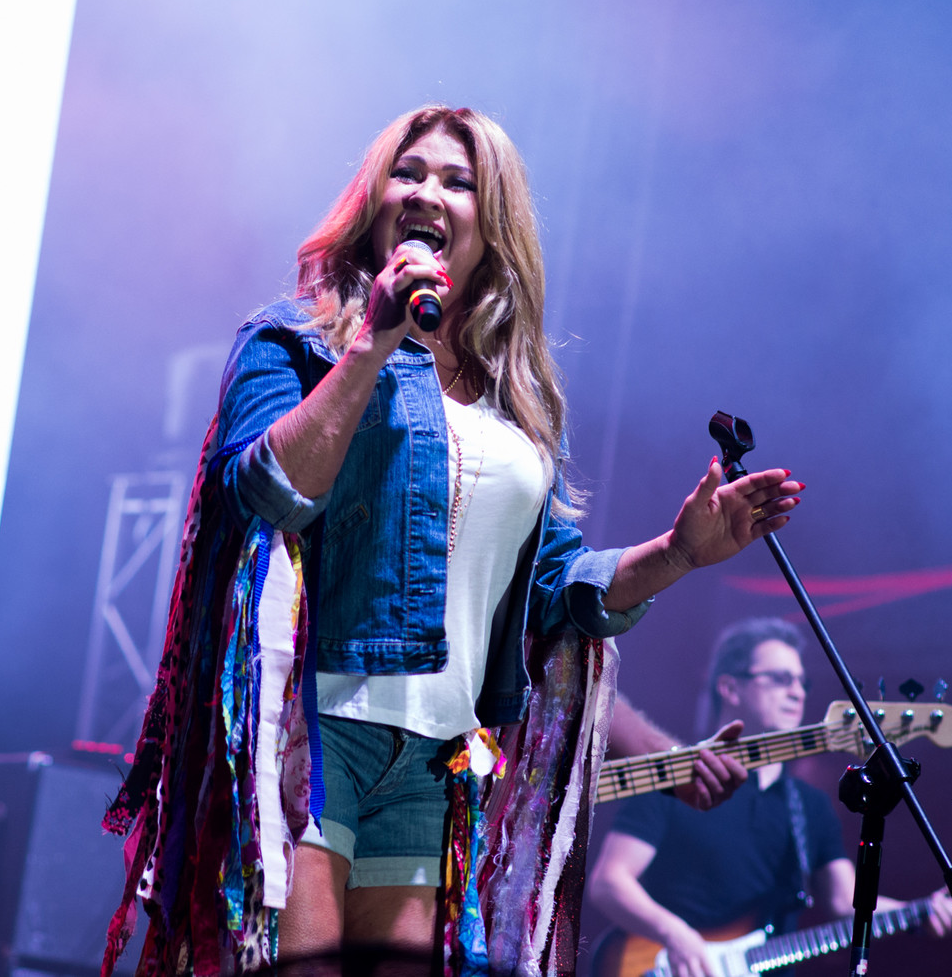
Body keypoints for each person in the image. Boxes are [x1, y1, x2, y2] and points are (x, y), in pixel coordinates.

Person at [101, 106, 802, 976]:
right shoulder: (294, 341)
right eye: (408, 172)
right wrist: (373, 340)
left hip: (439, 760)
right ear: (374, 201)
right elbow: (270, 491)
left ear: (491, 222)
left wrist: (679, 551)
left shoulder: (519, 400)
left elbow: (554, 586)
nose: (427, 192)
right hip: (315, 731)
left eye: (457, 181)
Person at [588, 618, 952, 977]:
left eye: (801, 681)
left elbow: (846, 903)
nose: (797, 692)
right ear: (730, 688)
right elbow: (609, 881)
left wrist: (922, 910)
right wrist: (677, 936)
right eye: (781, 679)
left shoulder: (810, 806)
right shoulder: (678, 781)